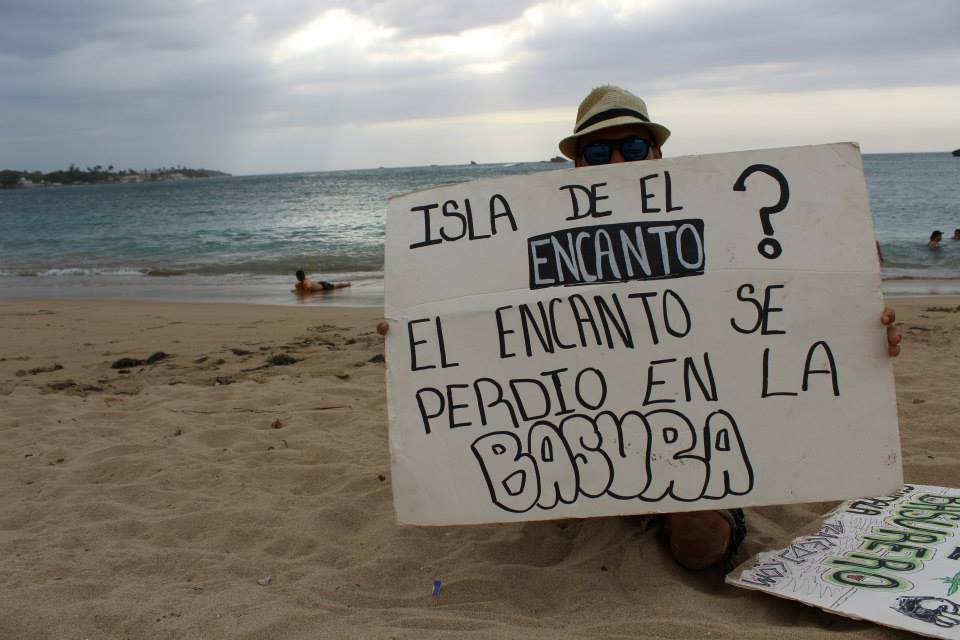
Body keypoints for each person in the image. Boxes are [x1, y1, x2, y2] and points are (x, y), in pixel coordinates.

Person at [378, 85, 902, 570]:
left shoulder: (719, 224)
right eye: (599, 153)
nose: (618, 162)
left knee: (701, 548)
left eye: (631, 145)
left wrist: (858, 330)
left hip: (689, 418)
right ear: (576, 164)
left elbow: (780, 308)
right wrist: (413, 331)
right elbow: (481, 318)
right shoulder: (528, 240)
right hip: (583, 426)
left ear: (656, 154)